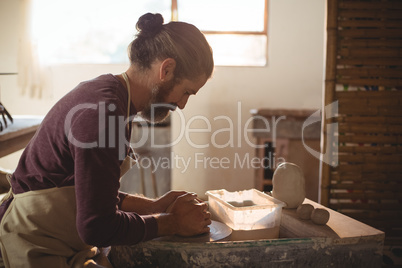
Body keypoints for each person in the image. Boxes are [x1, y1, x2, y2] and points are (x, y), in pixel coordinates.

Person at [0, 12, 214, 268]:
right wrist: (173, 222)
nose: (181, 104)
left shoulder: (114, 96)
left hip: (59, 241)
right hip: (31, 244)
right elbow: (97, 227)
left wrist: (155, 205)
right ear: (166, 70)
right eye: (186, 92)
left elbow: (92, 191)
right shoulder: (104, 113)